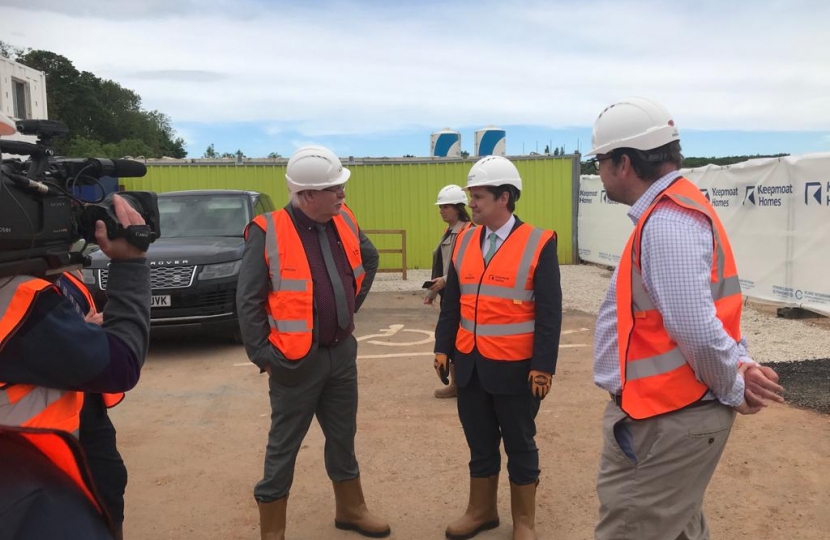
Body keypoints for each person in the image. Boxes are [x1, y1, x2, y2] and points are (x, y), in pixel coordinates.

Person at [587, 97, 786, 540]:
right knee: (677, 529)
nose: (598, 171)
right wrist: (740, 364)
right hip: (669, 411)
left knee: (632, 527)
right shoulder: (674, 212)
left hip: (668, 416)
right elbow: (707, 313)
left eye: (600, 160)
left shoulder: (667, 222)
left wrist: (735, 386)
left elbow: (695, 327)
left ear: (624, 163)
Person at [236, 145, 388, 540]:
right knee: (284, 446)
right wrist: (263, 355)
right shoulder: (267, 231)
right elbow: (248, 299)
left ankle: (351, 510)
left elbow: (369, 260)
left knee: (343, 436)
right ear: (306, 196)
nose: (342, 195)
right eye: (334, 189)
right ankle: (273, 530)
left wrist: (348, 307)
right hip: (293, 362)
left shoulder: (344, 219)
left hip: (341, 353)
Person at [0, 195, 151, 540]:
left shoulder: (40, 275)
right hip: (34, 482)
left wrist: (81, 332)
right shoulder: (17, 295)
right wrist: (131, 264)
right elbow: (122, 364)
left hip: (70, 451)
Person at [433, 156, 562, 540]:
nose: (470, 203)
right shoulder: (465, 240)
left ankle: (524, 521)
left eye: (478, 196)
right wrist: (443, 347)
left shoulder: (539, 243)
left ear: (504, 197)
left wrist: (544, 366)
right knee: (479, 440)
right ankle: (482, 511)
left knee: (520, 442)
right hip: (470, 367)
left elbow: (550, 314)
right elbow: (453, 304)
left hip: (515, 369)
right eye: (471, 196)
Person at [59, 270, 129, 540]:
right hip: (39, 418)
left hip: (87, 401)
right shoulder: (16, 280)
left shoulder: (66, 273)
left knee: (109, 482)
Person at [424, 184, 474, 399]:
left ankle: (461, 385)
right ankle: (457, 384)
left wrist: (445, 281)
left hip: (463, 295)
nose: (442, 211)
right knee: (450, 337)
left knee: (459, 339)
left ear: (458, 207)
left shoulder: (469, 231)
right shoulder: (450, 231)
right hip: (450, 294)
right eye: (441, 207)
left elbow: (468, 266)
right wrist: (433, 291)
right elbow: (442, 264)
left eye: (446, 206)